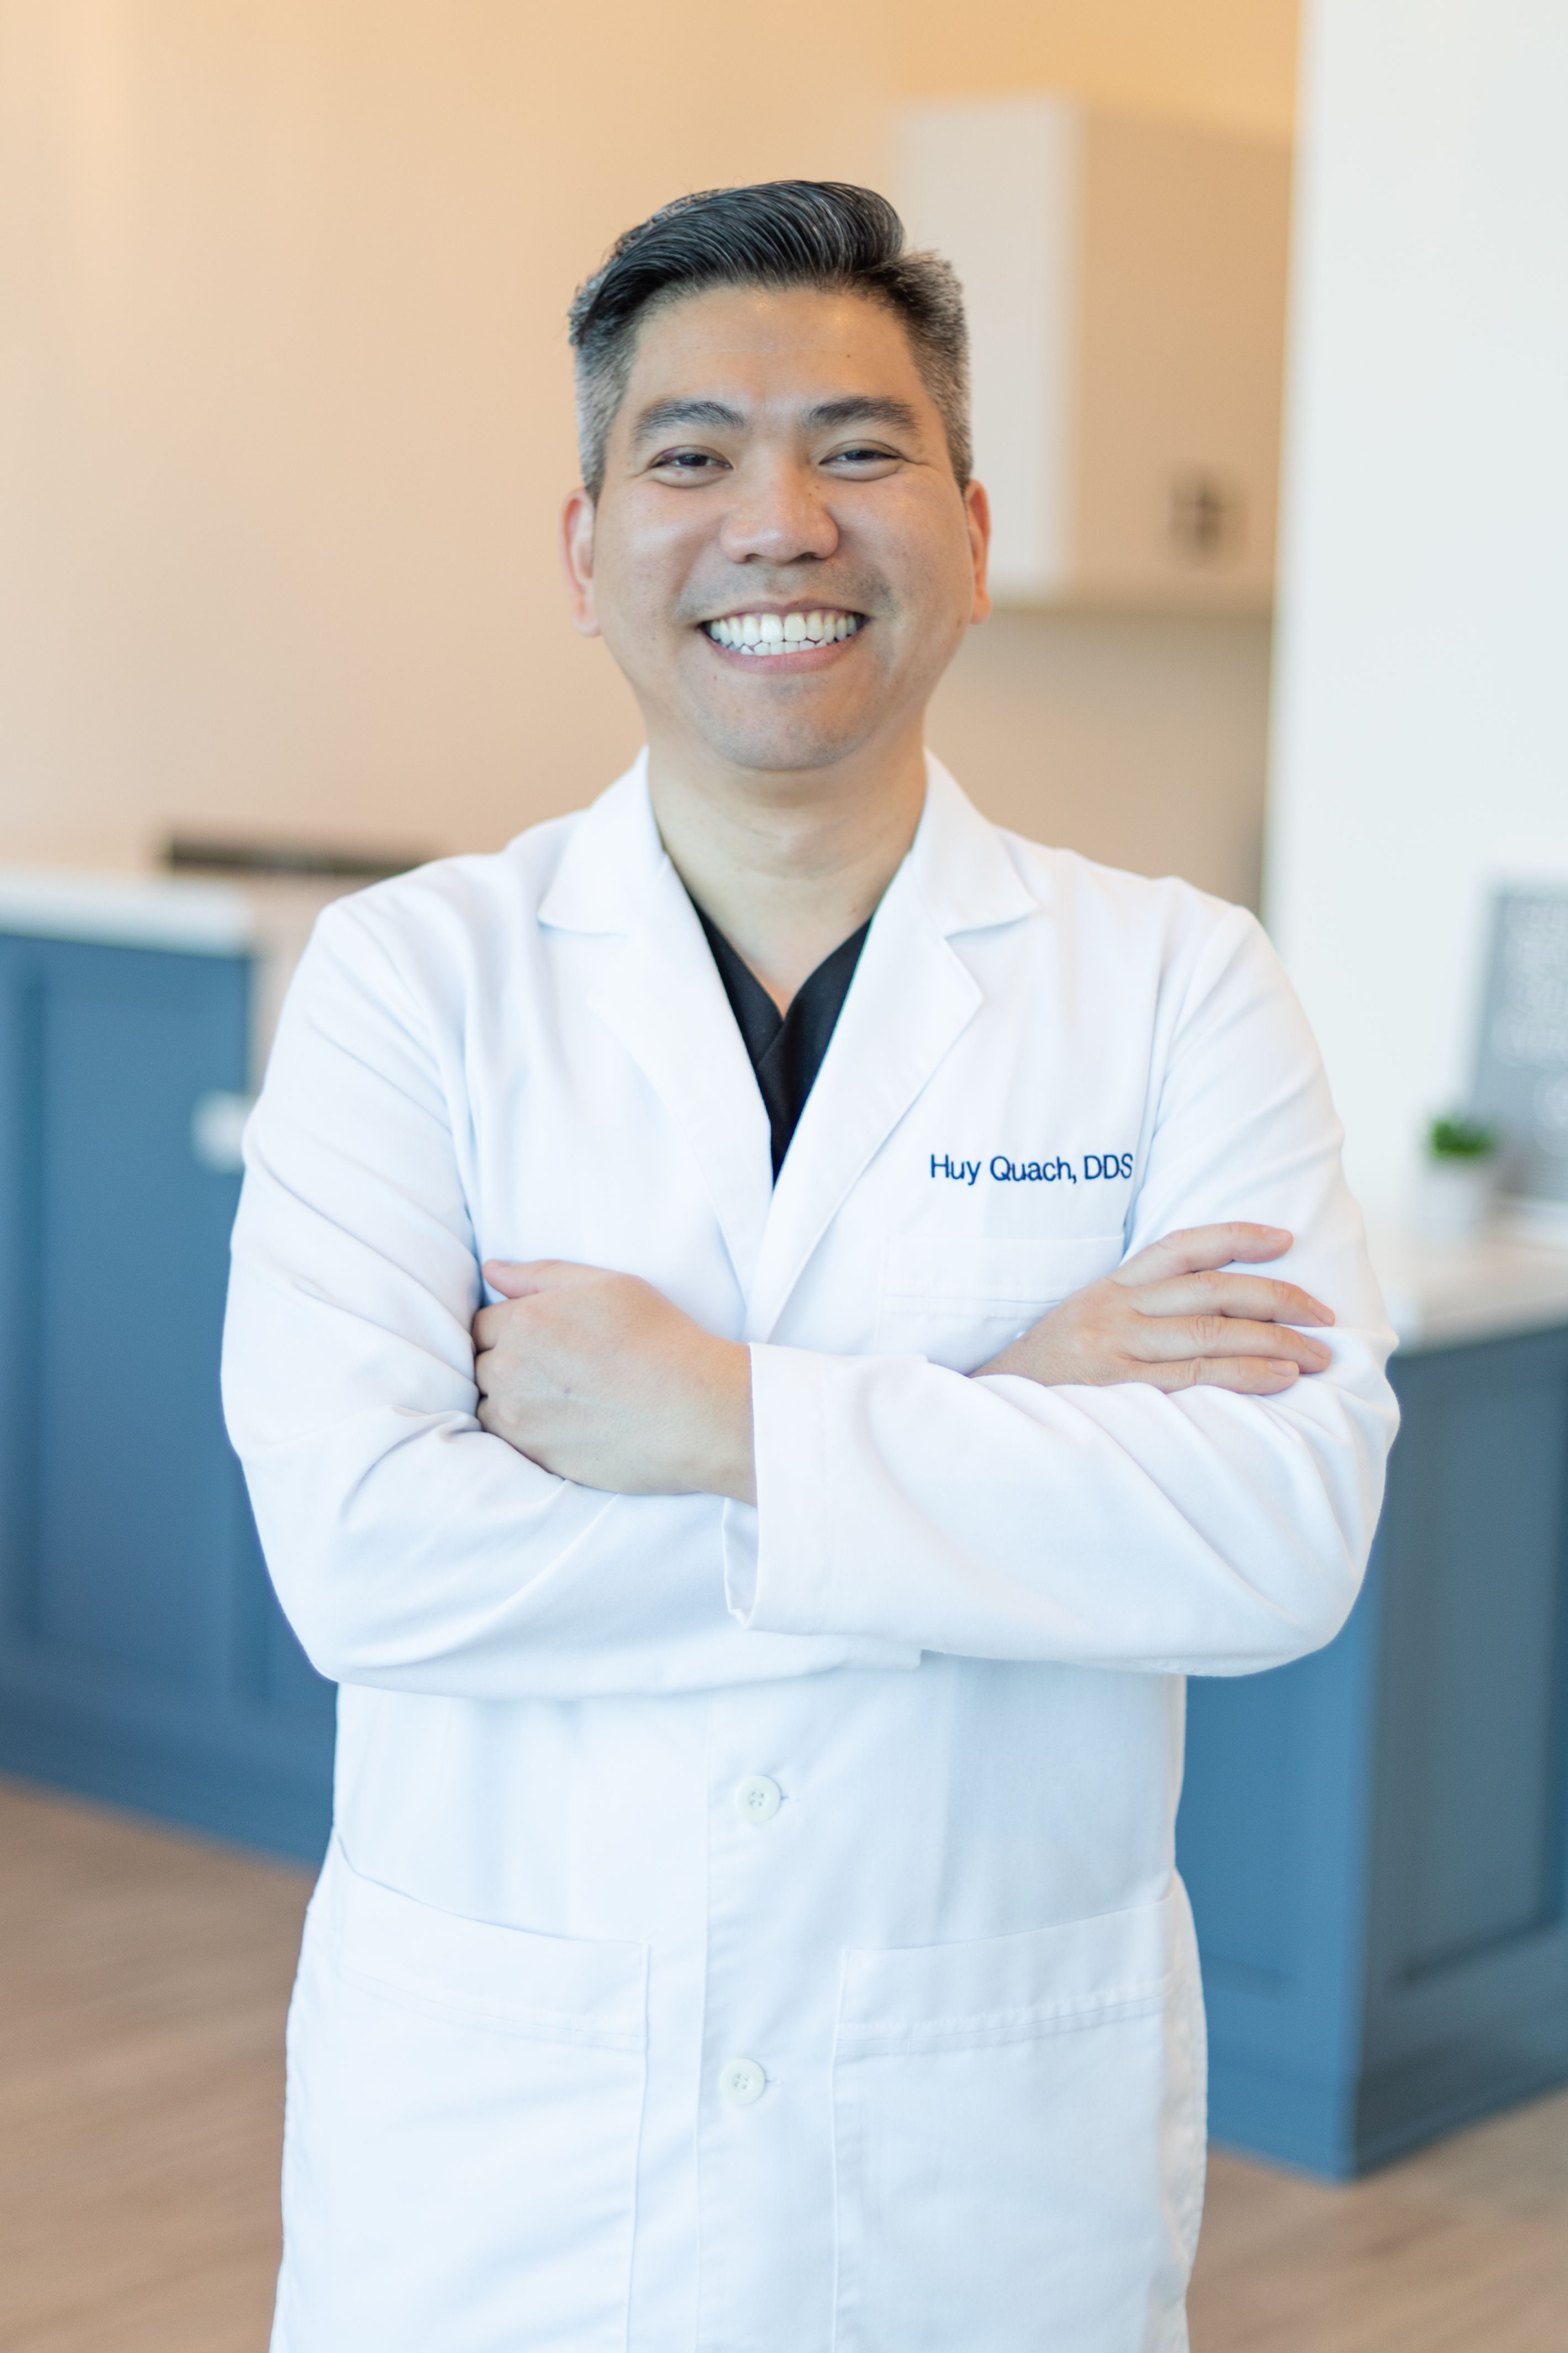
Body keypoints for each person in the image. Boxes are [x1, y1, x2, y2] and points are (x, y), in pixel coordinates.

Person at [223, 181, 1398, 2353]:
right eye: (692, 455)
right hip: (506, 2161)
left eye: (857, 451)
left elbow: (1273, 1541)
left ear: (969, 531)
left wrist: (719, 1420)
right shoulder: (410, 982)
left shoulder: (1174, 985)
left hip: (974, 2165)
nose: (779, 523)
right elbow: (370, 1564)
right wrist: (1007, 1416)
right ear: (586, 548)